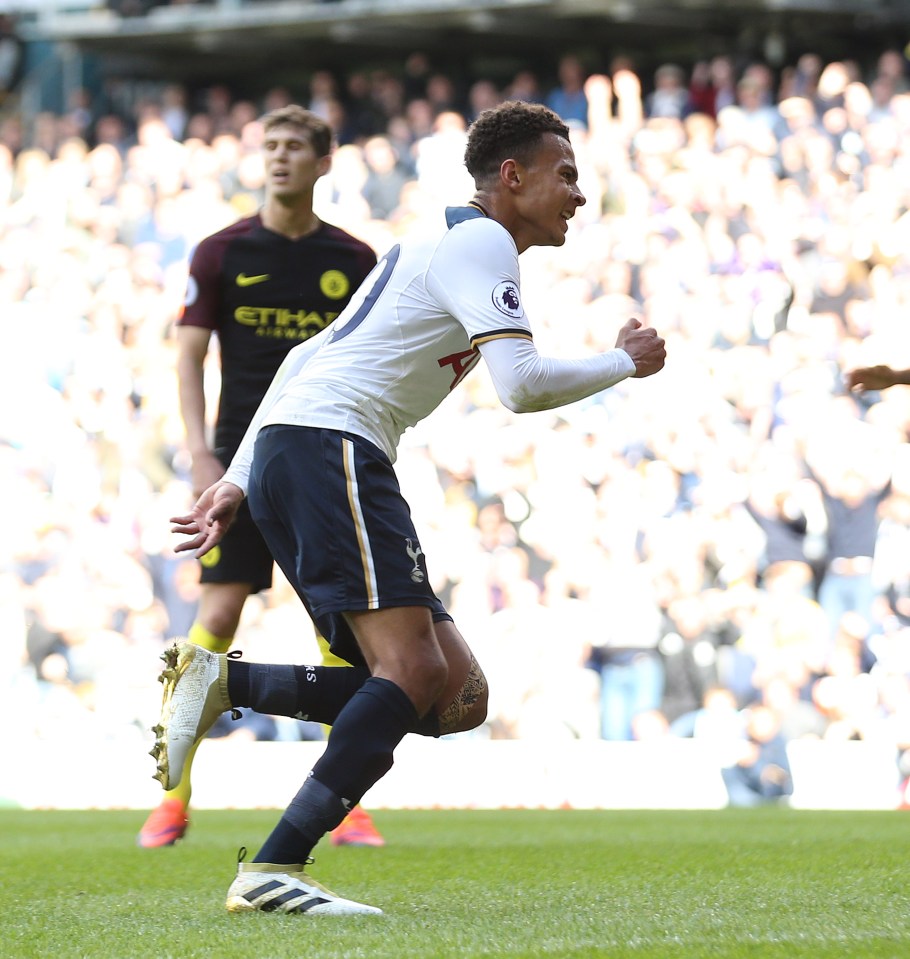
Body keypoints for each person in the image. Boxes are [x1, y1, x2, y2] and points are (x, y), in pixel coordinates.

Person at [151, 100, 666, 915]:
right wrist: (623, 362)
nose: (578, 194)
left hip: (306, 445)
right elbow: (521, 385)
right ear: (512, 176)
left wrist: (241, 478)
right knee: (413, 669)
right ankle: (272, 867)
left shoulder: (431, 244)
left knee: (454, 695)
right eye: (566, 174)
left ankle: (227, 680)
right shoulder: (482, 241)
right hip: (333, 446)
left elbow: (302, 355)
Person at [138, 104, 385, 850]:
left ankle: (346, 801)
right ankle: (171, 795)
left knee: (342, 633)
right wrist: (201, 454)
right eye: (269, 146)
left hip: (318, 461)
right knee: (214, 621)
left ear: (323, 162)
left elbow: (371, 362)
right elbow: (186, 355)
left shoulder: (354, 259)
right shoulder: (220, 252)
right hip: (234, 464)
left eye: (294, 147)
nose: (279, 157)